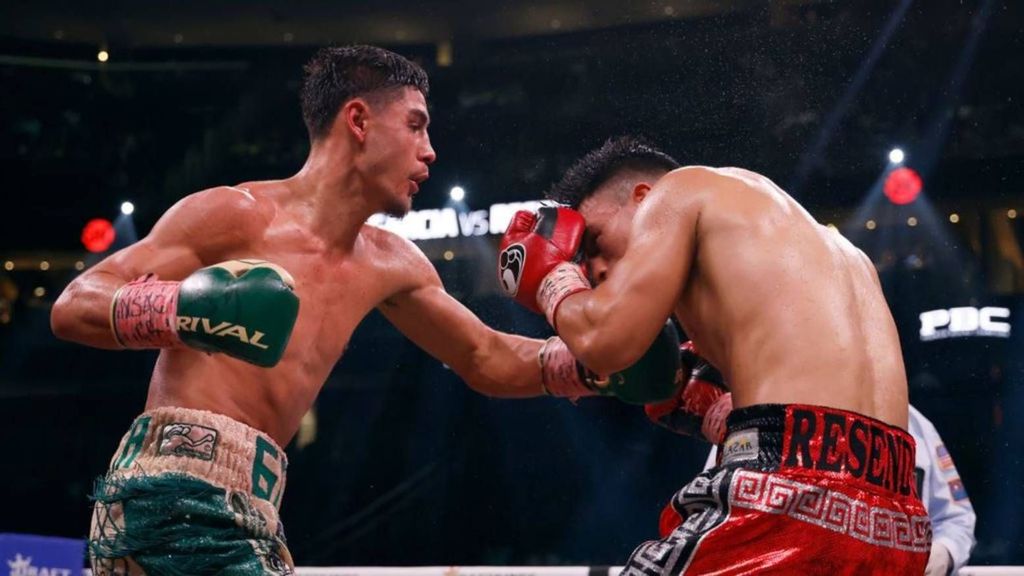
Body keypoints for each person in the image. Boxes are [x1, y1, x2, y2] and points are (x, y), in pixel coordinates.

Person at [51, 48, 682, 576]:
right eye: (415, 125)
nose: (430, 151)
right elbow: (74, 304)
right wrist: (186, 308)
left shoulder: (392, 263)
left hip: (252, 509)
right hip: (169, 488)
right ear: (358, 120)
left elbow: (486, 356)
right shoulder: (235, 214)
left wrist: (595, 363)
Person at [498, 136, 931, 574]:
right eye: (586, 266)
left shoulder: (680, 191)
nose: (598, 271)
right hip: (898, 523)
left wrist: (552, 278)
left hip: (787, 500)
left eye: (595, 242)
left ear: (644, 197)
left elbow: (605, 341)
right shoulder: (840, 254)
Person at [702, 402, 976, 575]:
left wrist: (943, 554)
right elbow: (712, 519)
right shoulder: (759, 420)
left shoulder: (915, 425)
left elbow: (956, 517)